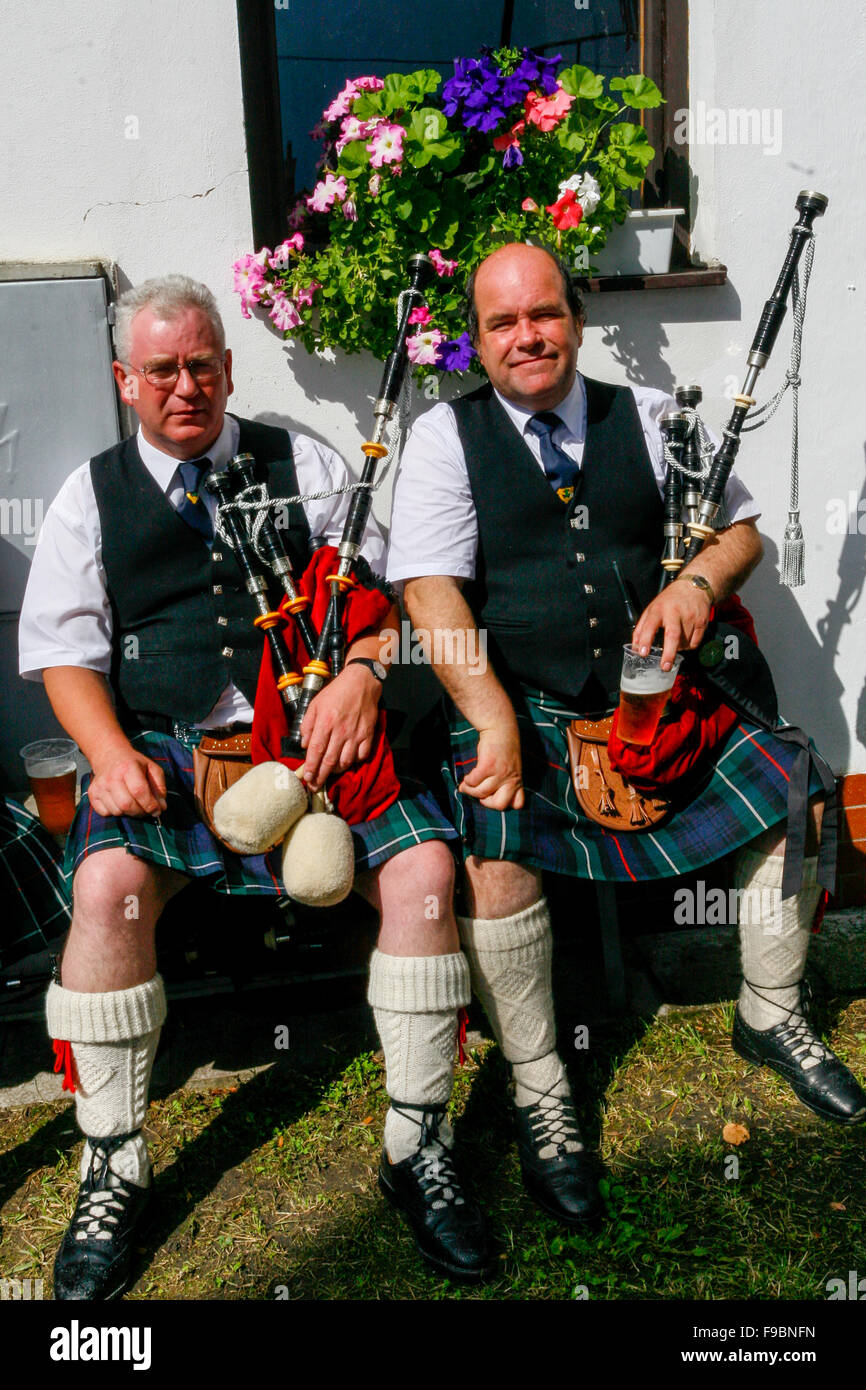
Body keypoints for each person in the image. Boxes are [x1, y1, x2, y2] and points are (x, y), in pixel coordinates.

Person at [19, 274, 491, 1298]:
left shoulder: (306, 463)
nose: (184, 387)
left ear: (228, 367)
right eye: (161, 370)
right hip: (174, 755)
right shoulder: (89, 496)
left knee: (421, 872)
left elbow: (375, 601)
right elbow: (63, 653)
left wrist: (365, 675)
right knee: (103, 892)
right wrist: (105, 750)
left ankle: (419, 1144)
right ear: (125, 382)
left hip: (320, 746)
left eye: (201, 364)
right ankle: (112, 1161)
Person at [385, 242, 866, 1239]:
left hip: (658, 706)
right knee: (498, 852)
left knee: (798, 789)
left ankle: (769, 1012)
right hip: (531, 710)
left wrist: (695, 584)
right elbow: (427, 591)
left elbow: (739, 531)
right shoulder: (444, 436)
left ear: (574, 317)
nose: (527, 336)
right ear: (475, 340)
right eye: (501, 323)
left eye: (544, 314)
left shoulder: (644, 418)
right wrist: (491, 719)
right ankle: (538, 1089)